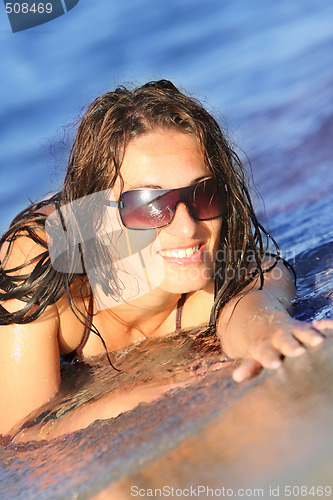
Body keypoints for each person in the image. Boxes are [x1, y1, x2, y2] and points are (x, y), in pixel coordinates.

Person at [0, 80, 329, 442]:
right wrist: (130, 403)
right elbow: (19, 435)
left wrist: (269, 331)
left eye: (203, 194)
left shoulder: (243, 270)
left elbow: (253, 310)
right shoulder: (40, 266)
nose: (188, 228)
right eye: (150, 204)